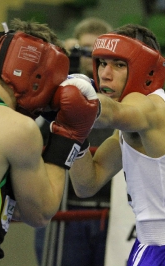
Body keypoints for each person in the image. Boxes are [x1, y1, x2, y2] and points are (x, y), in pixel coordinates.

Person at [0, 18, 99, 265]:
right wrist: (67, 135)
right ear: (39, 76)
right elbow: (40, 212)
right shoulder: (19, 128)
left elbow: (5, 205)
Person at [69, 24, 165, 265]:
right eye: (102, 63)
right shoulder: (129, 129)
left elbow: (112, 113)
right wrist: (75, 131)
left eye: (119, 64)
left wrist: (81, 97)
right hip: (163, 247)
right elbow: (86, 184)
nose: (105, 74)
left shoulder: (150, 107)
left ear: (143, 69)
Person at [34, 17, 113, 266]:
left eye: (97, 52)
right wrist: (60, 71)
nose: (90, 58)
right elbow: (35, 133)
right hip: (65, 207)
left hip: (111, 209)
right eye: (84, 50)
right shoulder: (57, 88)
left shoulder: (120, 93)